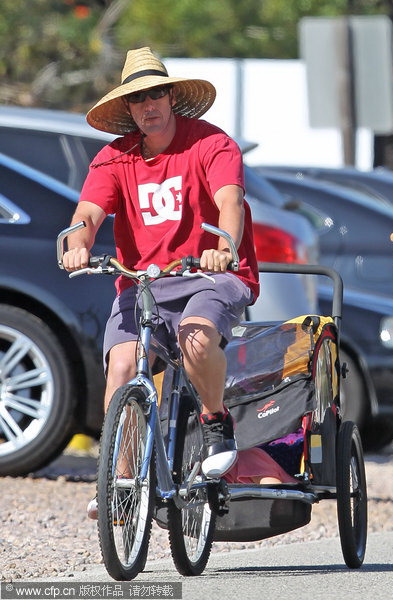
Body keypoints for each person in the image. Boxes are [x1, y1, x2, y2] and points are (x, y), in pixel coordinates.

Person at [62, 47, 259, 517]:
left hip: (209, 273)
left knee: (195, 337)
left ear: (172, 97)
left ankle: (215, 421)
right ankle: (123, 483)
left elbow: (229, 200)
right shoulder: (116, 157)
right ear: (127, 109)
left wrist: (225, 245)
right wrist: (77, 242)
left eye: (156, 94)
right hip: (144, 283)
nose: (148, 105)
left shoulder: (210, 144)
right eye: (137, 99)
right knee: (124, 368)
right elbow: (88, 211)